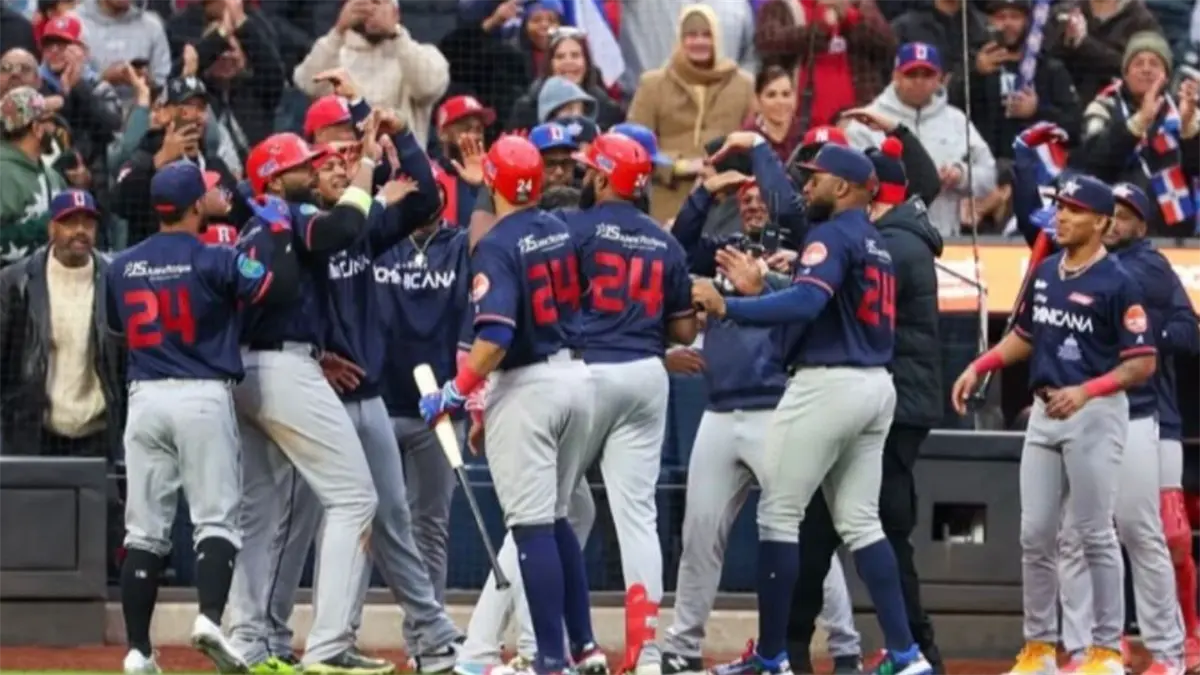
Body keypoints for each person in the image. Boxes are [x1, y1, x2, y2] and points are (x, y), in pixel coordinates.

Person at [691, 135, 934, 675]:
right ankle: (906, 654)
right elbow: (825, 299)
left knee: (779, 514)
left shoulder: (831, 235)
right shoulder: (874, 239)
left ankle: (773, 657)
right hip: (875, 387)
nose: (807, 186)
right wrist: (771, 282)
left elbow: (806, 301)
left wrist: (730, 302)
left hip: (829, 384)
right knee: (861, 522)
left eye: (816, 177)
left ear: (842, 186)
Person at [253, 117, 467, 675]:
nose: (334, 168)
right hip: (316, 394)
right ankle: (270, 639)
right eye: (322, 166)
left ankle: (431, 631)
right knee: (294, 525)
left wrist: (402, 140)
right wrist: (315, 357)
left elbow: (425, 202)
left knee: (389, 517)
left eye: (338, 164)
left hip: (366, 395)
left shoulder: (362, 229)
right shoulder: (306, 235)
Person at [663, 130, 863, 675]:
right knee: (699, 534)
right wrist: (707, 192)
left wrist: (755, 151)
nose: (751, 199)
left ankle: (845, 646)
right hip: (720, 411)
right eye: (742, 194)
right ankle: (681, 649)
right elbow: (677, 249)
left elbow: (790, 208)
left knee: (797, 532)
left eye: (758, 192)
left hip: (781, 407)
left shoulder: (805, 245)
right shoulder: (722, 250)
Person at [949, 174, 1158, 675]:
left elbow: (1142, 361)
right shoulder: (1045, 271)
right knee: (1035, 533)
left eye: (1073, 209)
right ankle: (1040, 647)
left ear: (1102, 222)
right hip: (1045, 412)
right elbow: (1025, 335)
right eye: (1060, 206)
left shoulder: (1120, 281)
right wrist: (980, 364)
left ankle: (1105, 650)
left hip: (1093, 411)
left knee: (1093, 533)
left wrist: (1087, 391)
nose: (1061, 216)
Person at [106, 161, 298, 675]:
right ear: (195, 205)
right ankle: (210, 619)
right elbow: (273, 288)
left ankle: (138, 651)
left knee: (143, 532)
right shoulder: (216, 258)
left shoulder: (121, 265)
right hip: (202, 395)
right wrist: (278, 233)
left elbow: (114, 326)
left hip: (144, 396)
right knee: (216, 519)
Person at [420, 135, 602, 675]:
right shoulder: (558, 228)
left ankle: (549, 658)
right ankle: (583, 646)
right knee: (559, 518)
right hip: (576, 377)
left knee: (531, 527)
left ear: (493, 183)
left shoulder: (496, 245)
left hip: (527, 388)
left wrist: (455, 393)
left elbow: (494, 337)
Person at [780, 137, 946, 675]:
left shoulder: (888, 243)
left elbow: (823, 299)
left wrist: (770, 282)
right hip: (890, 401)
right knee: (835, 527)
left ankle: (915, 650)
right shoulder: (896, 236)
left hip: (880, 402)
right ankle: (802, 647)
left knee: (865, 528)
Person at [224, 130, 382, 674]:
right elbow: (344, 227)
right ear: (273, 176)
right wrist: (365, 175)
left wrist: (316, 352)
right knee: (355, 498)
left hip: (249, 365)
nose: (313, 172)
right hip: (280, 368)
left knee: (259, 513)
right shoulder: (278, 213)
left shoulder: (255, 223)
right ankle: (329, 647)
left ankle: (246, 642)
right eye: (303, 166)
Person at [1054, 182, 1189, 675]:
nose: (1112, 220)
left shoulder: (1144, 267)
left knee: (1140, 530)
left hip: (1134, 412)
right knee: (1074, 534)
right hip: (1084, 414)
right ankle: (1088, 649)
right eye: (1107, 211)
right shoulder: (1064, 268)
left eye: (1123, 214)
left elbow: (1183, 330)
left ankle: (1169, 652)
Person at [0, 188, 123, 457]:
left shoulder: (115, 278)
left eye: (88, 223)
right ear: (52, 228)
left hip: (99, 433)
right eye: (70, 222)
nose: (80, 230)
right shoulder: (15, 282)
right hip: (36, 433)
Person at [844, 42, 996, 238]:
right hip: (884, 236)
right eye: (911, 74)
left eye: (927, 75)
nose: (919, 81)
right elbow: (852, 182)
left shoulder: (956, 120)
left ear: (940, 78)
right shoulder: (869, 119)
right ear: (895, 76)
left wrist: (961, 175)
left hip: (945, 236)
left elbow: (989, 175)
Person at [626, 4, 753, 224]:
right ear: (680, 39)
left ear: (717, 39)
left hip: (723, 204)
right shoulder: (653, 83)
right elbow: (633, 148)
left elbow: (752, 141)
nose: (699, 42)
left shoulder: (741, 84)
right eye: (691, 35)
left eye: (706, 35)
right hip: (666, 202)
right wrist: (679, 166)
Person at [1073, 32, 1200, 237]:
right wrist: (1139, 121)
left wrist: (1188, 128)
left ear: (1166, 75)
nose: (1146, 69)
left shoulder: (1184, 110)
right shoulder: (1102, 106)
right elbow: (1094, 162)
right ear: (1125, 73)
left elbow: (1196, 169)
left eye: (1154, 63)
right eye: (1138, 63)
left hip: (1173, 235)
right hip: (1112, 232)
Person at [292, 0, 450, 150]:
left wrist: (396, 35)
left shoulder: (420, 54)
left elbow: (429, 89)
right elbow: (307, 85)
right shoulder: (335, 53)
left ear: (396, 13)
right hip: (344, 167)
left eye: (378, 3)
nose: (371, 10)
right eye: (364, 4)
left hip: (405, 167)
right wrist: (338, 31)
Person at [113, 75, 239, 246]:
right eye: (185, 107)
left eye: (201, 108)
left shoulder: (214, 164)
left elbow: (240, 211)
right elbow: (119, 204)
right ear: (163, 113)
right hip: (157, 262)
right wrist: (159, 161)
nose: (195, 115)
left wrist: (226, 206)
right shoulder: (143, 157)